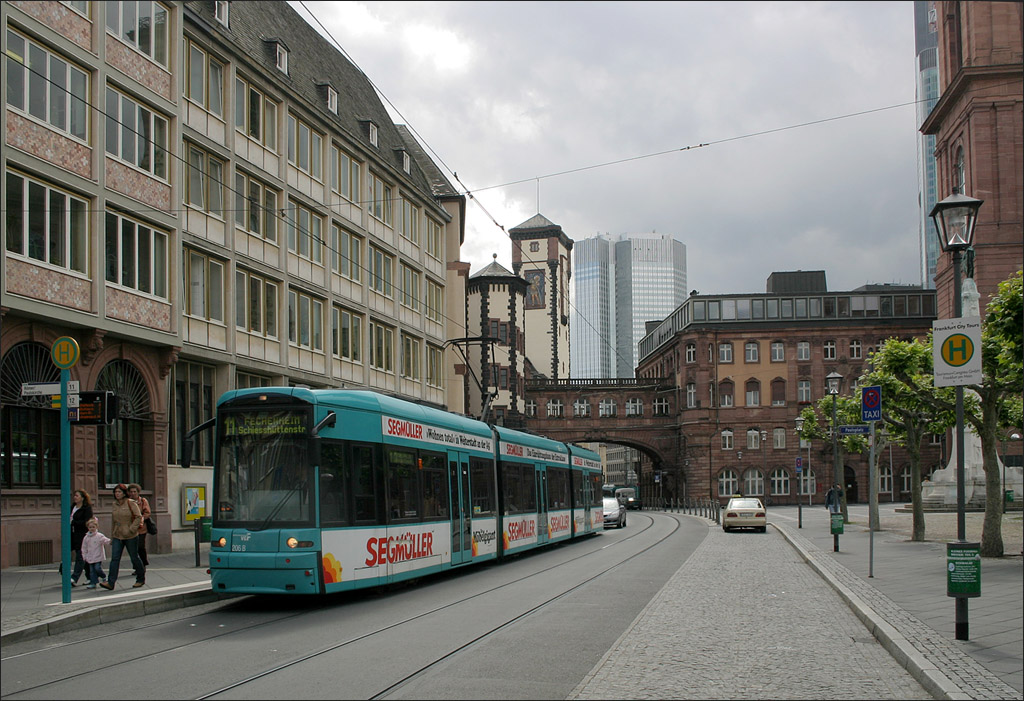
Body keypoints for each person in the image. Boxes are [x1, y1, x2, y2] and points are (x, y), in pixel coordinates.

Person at [100, 484, 145, 590]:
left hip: (130, 535)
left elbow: (138, 517)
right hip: (117, 535)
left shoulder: (130, 503)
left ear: (124, 493)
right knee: (115, 559)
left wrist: (131, 529)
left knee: (134, 557)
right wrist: (112, 535)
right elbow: (114, 521)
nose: (117, 494)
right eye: (116, 492)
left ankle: (140, 578)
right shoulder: (114, 504)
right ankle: (111, 582)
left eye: (119, 492)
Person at [69, 489, 93, 587]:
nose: (75, 497)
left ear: (83, 498)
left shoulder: (86, 508)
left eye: (77, 496)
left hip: (82, 534)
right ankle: (91, 576)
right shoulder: (72, 507)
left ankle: (74, 578)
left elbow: (87, 522)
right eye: (74, 495)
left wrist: (74, 522)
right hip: (72, 534)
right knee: (84, 558)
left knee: (80, 556)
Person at [80, 518, 111, 589]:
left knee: (97, 568)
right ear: (88, 528)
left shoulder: (99, 536)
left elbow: (105, 540)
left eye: (93, 527)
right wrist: (84, 556)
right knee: (92, 571)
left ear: (96, 527)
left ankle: (103, 576)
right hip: (90, 557)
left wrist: (110, 542)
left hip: (98, 556)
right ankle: (93, 582)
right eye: (90, 527)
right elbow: (84, 547)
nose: (92, 529)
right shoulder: (86, 538)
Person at [128, 483, 151, 567]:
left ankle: (143, 564)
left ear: (138, 492)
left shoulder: (143, 501)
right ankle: (137, 567)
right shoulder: (128, 502)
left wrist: (140, 519)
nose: (133, 493)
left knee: (140, 547)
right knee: (133, 549)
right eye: (131, 492)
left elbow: (147, 513)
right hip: (131, 528)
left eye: (134, 491)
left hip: (141, 528)